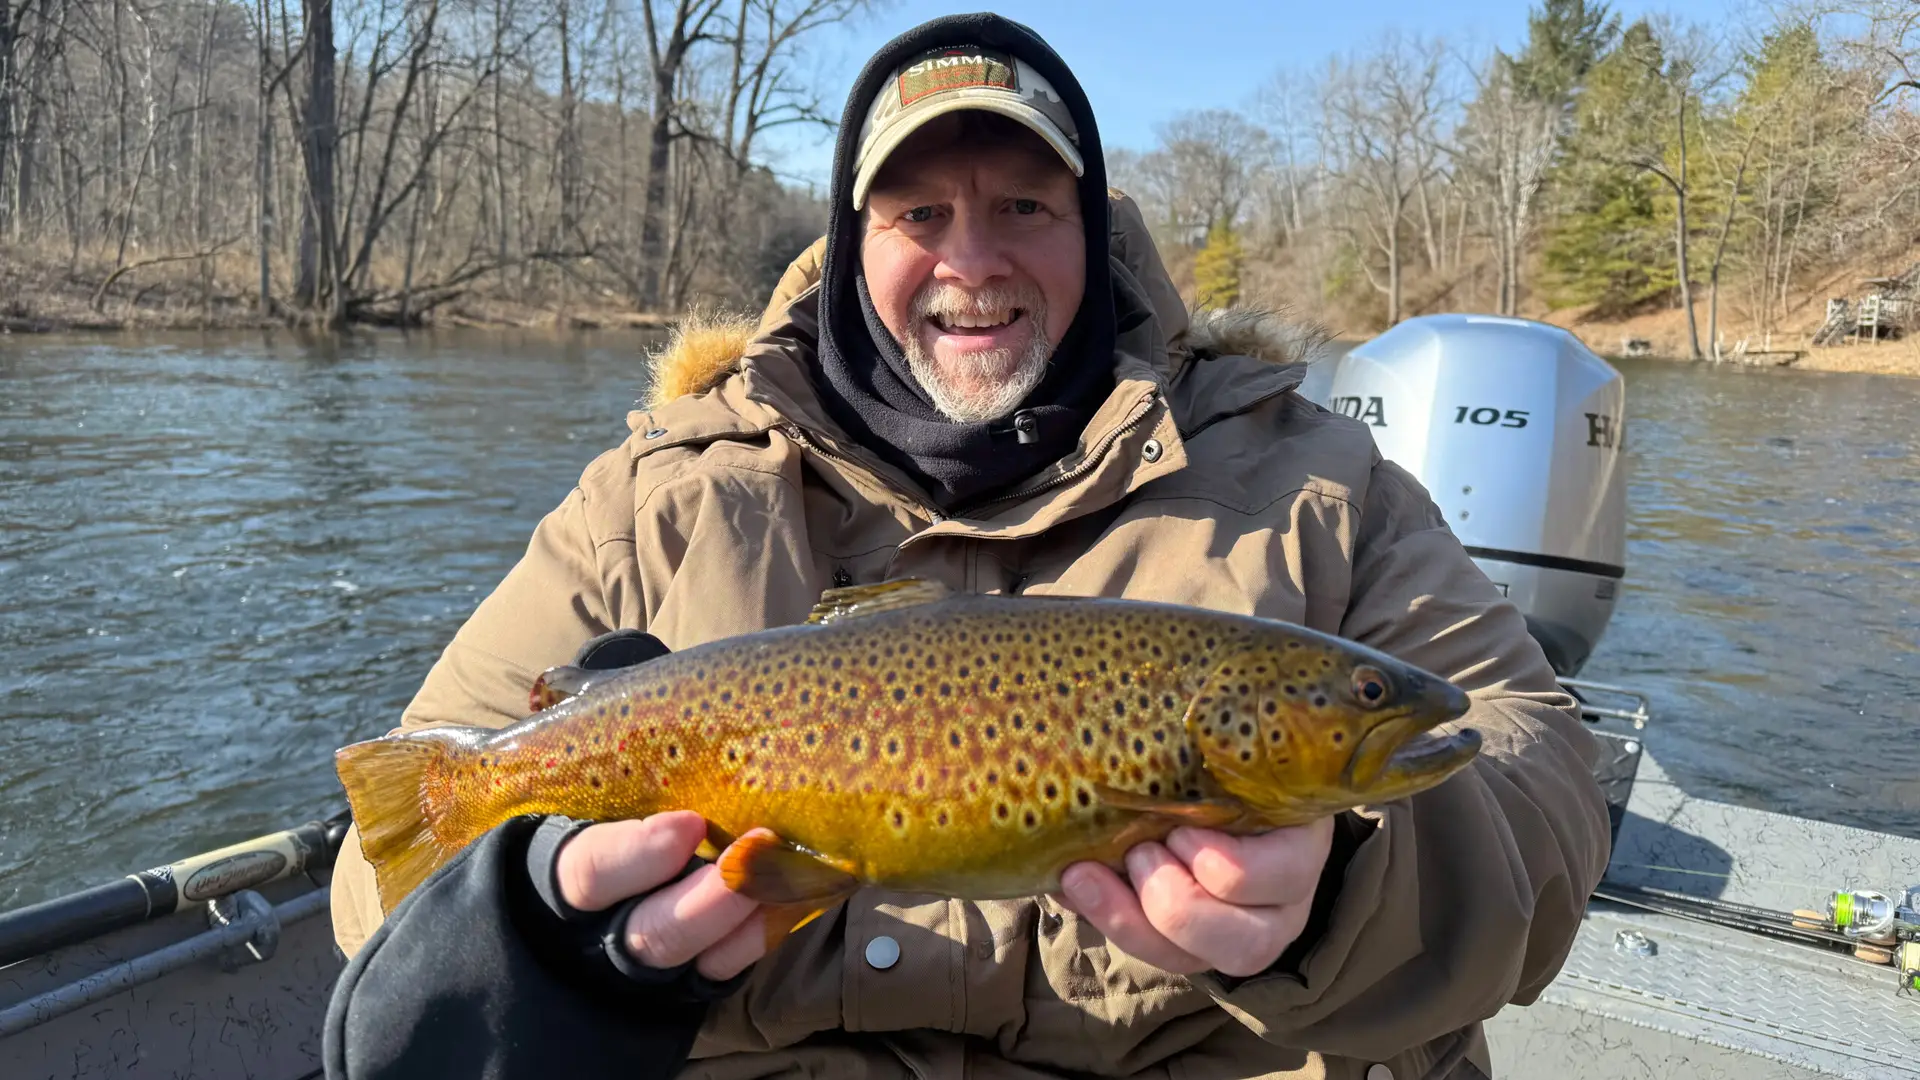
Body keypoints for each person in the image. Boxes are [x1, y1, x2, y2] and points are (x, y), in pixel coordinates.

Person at [322, 12, 1611, 1080]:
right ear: (849, 246)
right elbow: (379, 872)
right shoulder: (656, 495)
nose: (972, 259)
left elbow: (1534, 773)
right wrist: (542, 910)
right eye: (920, 212)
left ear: (1093, 231)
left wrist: (1342, 893)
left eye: (1025, 207)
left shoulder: (1320, 483)